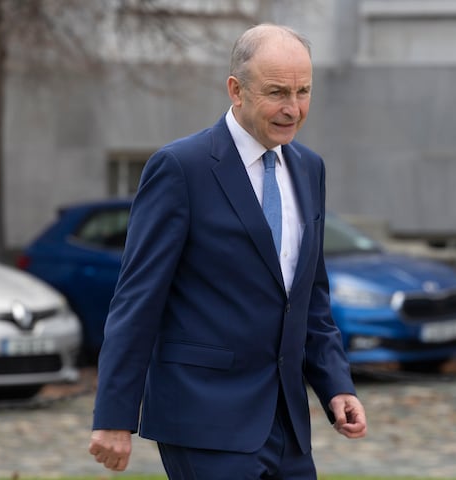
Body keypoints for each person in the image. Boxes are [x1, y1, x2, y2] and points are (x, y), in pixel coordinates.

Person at [88, 23, 367, 478]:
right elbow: (137, 301)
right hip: (203, 419)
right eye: (277, 92)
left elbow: (309, 297)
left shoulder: (308, 167)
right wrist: (115, 416)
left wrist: (336, 384)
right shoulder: (181, 168)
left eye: (303, 91)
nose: (292, 108)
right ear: (236, 90)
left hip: (287, 423)